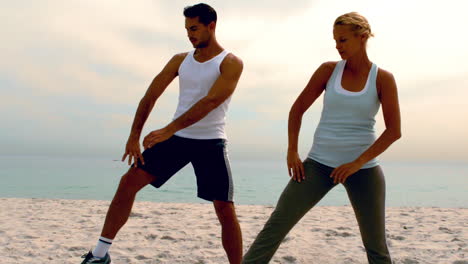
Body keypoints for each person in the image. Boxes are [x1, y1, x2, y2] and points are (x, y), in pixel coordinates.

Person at [80, 3, 243, 264]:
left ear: (211, 26)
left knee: (224, 207)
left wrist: (169, 129)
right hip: (177, 140)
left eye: (194, 28)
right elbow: (150, 95)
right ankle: (99, 255)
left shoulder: (231, 63)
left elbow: (211, 101)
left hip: (210, 142)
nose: (189, 34)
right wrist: (134, 135)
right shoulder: (180, 60)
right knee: (127, 183)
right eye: (187, 29)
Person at [242, 12, 401, 264]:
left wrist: (356, 163)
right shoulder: (328, 71)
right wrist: (292, 151)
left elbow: (394, 131)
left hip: (363, 170)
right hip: (317, 165)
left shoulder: (383, 79)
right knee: (275, 228)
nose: (337, 46)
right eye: (335, 40)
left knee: (376, 246)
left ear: (362, 38)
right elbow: (297, 109)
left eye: (343, 40)